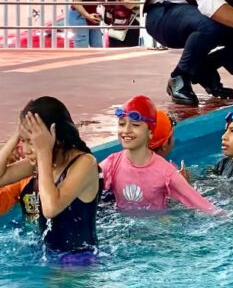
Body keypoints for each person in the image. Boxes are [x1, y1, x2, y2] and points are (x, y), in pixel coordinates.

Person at [0, 97, 102, 259]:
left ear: (55, 138)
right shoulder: (45, 162)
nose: (25, 149)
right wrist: (16, 136)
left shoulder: (85, 164)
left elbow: (50, 208)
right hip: (45, 254)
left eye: (32, 142)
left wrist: (43, 152)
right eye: (23, 141)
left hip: (79, 259)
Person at [100, 96, 217, 213]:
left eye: (135, 125)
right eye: (121, 124)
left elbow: (204, 206)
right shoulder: (112, 163)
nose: (126, 130)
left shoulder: (166, 173)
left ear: (150, 133)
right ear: (166, 142)